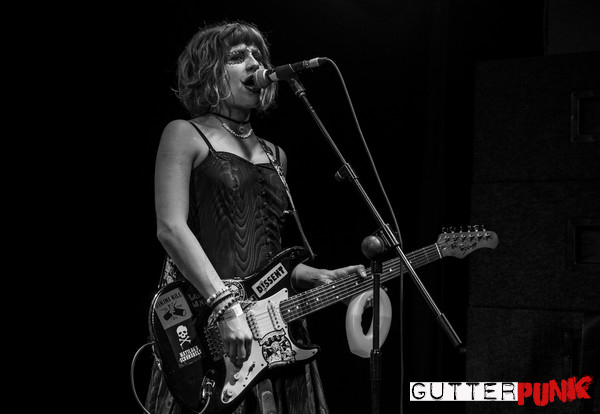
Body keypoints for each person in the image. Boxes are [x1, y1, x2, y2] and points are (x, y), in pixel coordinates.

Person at [145, 20, 367, 414]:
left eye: (258, 56)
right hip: (208, 327)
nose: (255, 64)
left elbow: (269, 262)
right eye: (237, 56)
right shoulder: (184, 133)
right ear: (209, 70)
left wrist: (317, 277)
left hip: (271, 329)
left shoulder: (275, 155)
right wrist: (226, 307)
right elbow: (171, 229)